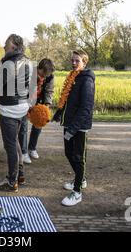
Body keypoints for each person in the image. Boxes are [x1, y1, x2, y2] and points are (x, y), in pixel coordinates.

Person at [52, 50, 95, 206]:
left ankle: (77, 192)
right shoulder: (73, 76)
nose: (74, 63)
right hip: (69, 123)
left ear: (84, 62)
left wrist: (73, 128)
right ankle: (81, 179)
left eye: (77, 61)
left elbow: (86, 108)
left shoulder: (87, 80)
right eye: (72, 60)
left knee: (78, 157)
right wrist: (58, 113)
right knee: (68, 153)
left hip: (79, 126)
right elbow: (68, 100)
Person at [0, 34, 32, 192]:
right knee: (16, 144)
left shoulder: (10, 63)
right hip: (22, 107)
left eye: (6, 45)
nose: (3, 47)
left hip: (10, 110)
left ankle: (11, 181)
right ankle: (20, 175)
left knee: (10, 146)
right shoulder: (27, 61)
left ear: (14, 47)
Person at [21, 58, 55, 164]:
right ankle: (23, 152)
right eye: (42, 74)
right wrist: (26, 105)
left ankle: (32, 148)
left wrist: (46, 107)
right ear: (38, 69)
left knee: (38, 125)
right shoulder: (29, 74)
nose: (44, 77)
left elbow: (49, 91)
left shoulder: (50, 76)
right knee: (23, 127)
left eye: (47, 75)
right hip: (26, 100)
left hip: (39, 102)